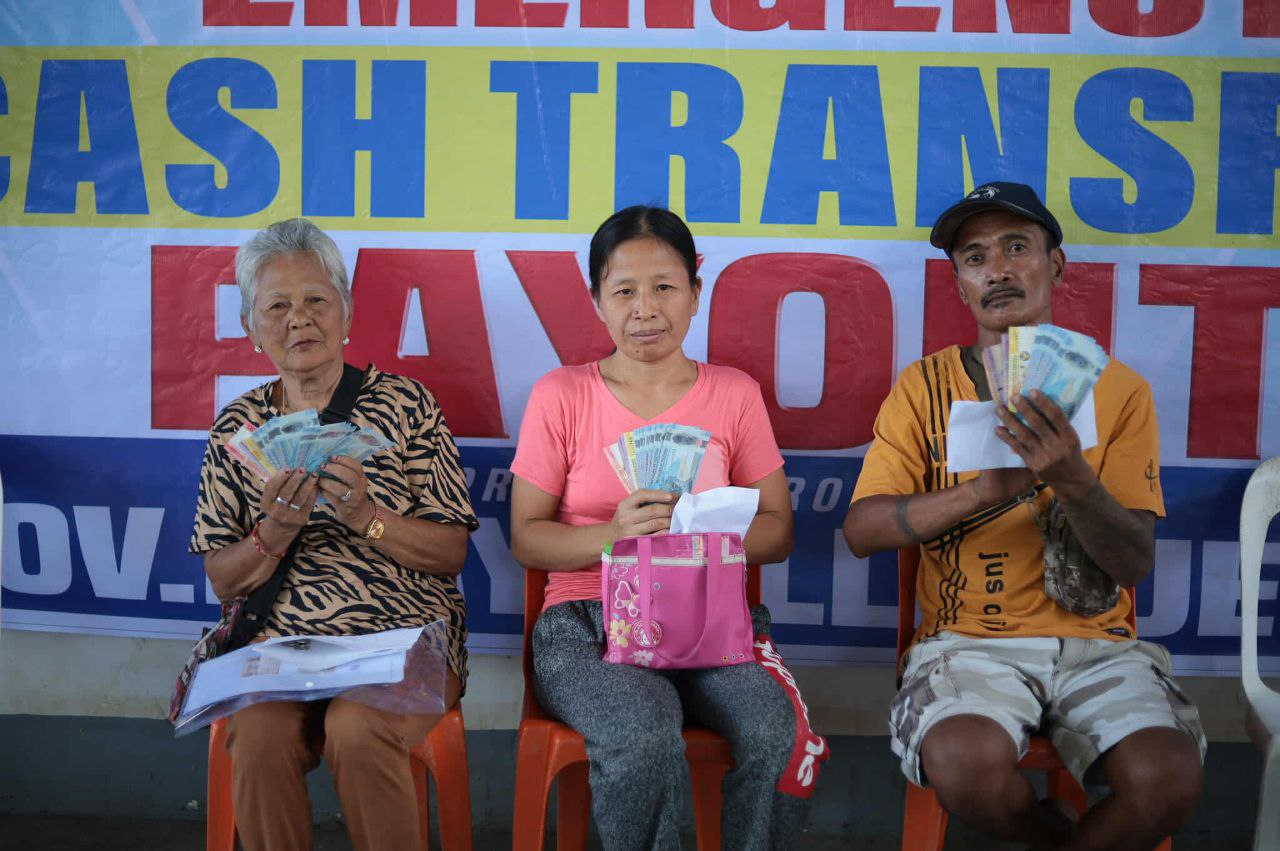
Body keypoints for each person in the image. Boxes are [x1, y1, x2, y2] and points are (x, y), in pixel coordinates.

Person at [844, 182, 1205, 851]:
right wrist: (982, 491)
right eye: (976, 257)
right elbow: (862, 531)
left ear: (1056, 264)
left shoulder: (1119, 391)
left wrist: (1073, 479)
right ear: (959, 284)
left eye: (1017, 247)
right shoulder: (922, 387)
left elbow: (1132, 563)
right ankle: (1054, 836)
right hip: (967, 643)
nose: (999, 269)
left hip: (1097, 646)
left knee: (1168, 778)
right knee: (963, 764)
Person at [509, 205, 823, 850]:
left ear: (695, 294)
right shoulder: (560, 394)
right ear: (597, 300)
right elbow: (527, 539)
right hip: (588, 625)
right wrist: (615, 538)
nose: (645, 308)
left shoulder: (733, 393)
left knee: (777, 733)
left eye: (665, 287)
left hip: (711, 622)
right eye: (623, 290)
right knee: (643, 732)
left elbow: (779, 532)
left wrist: (700, 540)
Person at [189, 218, 478, 851]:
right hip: (280, 650)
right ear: (252, 327)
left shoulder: (408, 405)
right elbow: (222, 577)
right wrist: (272, 534)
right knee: (259, 733)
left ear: (345, 311)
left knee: (355, 726)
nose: (300, 320)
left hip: (401, 639)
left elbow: (451, 551)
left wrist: (367, 519)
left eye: (316, 300)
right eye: (278, 306)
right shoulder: (237, 428)